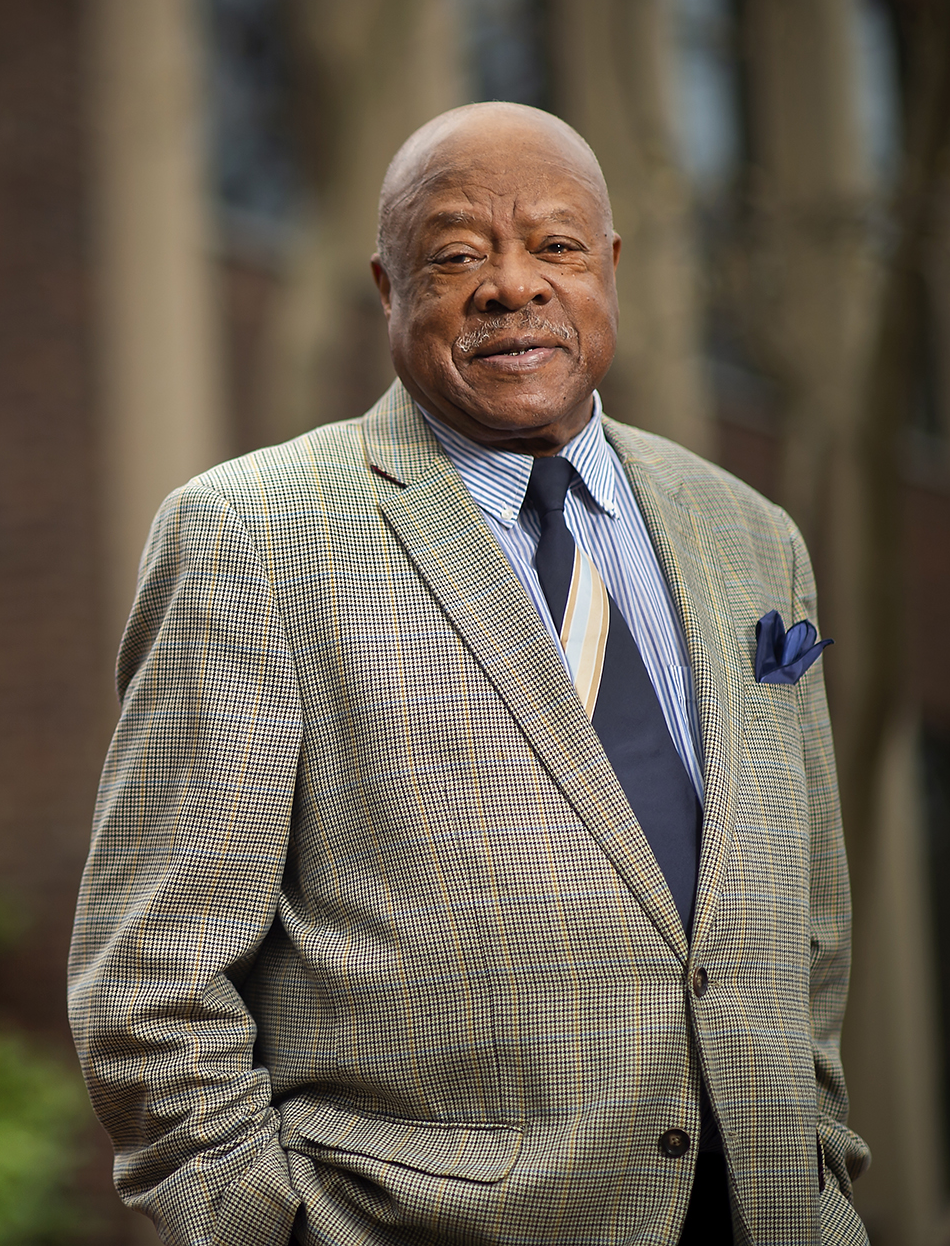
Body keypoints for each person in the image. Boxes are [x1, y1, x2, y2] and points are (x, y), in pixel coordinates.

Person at [67, 102, 869, 1245]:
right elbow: (151, 983)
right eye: (454, 255)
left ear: (607, 270)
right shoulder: (250, 535)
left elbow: (810, 921)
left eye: (554, 246)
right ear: (389, 288)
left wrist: (821, 1170)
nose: (511, 286)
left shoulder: (747, 535)